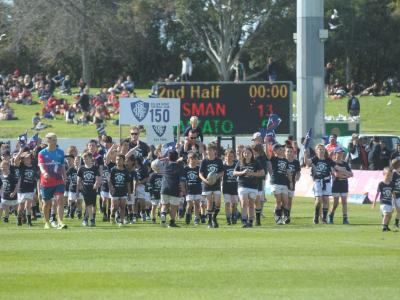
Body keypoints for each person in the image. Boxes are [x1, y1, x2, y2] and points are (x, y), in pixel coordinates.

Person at [38, 132, 67, 229]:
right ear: (48, 140)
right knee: (47, 204)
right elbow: (41, 165)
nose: (55, 141)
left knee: (60, 200)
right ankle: (46, 222)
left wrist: (65, 176)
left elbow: (62, 166)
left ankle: (60, 221)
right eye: (53, 139)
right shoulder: (42, 153)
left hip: (58, 181)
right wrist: (44, 173)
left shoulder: (61, 152)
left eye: (56, 139)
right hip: (46, 182)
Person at [234, 146, 264, 228]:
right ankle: (244, 221)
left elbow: (262, 173)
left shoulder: (256, 162)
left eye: (249, 153)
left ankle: (250, 221)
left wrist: (252, 174)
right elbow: (234, 173)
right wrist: (242, 172)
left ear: (252, 154)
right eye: (245, 153)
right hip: (242, 185)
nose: (247, 154)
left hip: (253, 186)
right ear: (242, 154)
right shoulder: (240, 162)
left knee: (251, 204)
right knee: (244, 202)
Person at [305, 144, 335, 224]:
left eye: (322, 149)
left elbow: (335, 167)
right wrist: (305, 154)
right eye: (319, 149)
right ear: (316, 151)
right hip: (318, 181)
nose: (321, 151)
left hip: (327, 181)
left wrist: (343, 170)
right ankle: (316, 215)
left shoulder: (328, 160)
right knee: (318, 200)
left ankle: (324, 218)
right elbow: (307, 163)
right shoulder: (315, 159)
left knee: (326, 200)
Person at [199, 143, 224, 228]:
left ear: (214, 151)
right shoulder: (204, 161)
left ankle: (214, 218)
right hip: (207, 184)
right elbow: (200, 174)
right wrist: (205, 180)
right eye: (207, 150)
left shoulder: (219, 161)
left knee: (218, 203)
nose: (208, 152)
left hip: (216, 184)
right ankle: (209, 222)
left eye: (210, 150)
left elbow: (222, 172)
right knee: (209, 202)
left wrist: (216, 177)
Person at [160, 150, 185, 227]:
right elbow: (181, 180)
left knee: (164, 204)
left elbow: (161, 160)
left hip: (164, 188)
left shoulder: (165, 164)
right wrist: (182, 190)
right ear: (177, 157)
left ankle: (163, 213)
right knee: (174, 207)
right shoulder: (180, 166)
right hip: (174, 188)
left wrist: (167, 157)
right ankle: (172, 222)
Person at [77, 152, 101, 227]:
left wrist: (96, 183)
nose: (85, 160)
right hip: (85, 189)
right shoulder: (81, 168)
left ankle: (85, 219)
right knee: (89, 205)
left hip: (93, 189)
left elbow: (97, 178)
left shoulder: (95, 168)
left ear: (91, 159)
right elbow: (79, 180)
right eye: (84, 159)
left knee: (91, 205)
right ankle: (91, 220)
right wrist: (78, 188)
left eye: (86, 158)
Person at [330, 147, 353, 224]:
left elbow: (351, 174)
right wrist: (346, 174)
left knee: (344, 201)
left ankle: (345, 218)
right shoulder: (333, 163)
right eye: (339, 153)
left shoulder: (345, 163)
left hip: (344, 184)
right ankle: (331, 215)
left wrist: (344, 174)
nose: (340, 155)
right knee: (335, 203)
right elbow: (336, 175)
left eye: (342, 153)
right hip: (336, 185)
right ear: (335, 154)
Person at [14, 150, 37, 227]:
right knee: (21, 207)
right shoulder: (21, 166)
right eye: (26, 158)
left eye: (29, 158)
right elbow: (15, 160)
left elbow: (35, 177)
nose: (28, 159)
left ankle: (29, 221)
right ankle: (19, 219)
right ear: (23, 159)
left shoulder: (33, 167)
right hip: (22, 189)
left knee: (28, 205)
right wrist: (21, 150)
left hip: (30, 189)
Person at [269, 144, 290, 225]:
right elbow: (268, 154)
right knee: (278, 200)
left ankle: (282, 214)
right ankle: (278, 218)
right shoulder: (274, 159)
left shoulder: (285, 160)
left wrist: (290, 181)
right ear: (276, 151)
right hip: (275, 182)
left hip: (284, 182)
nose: (283, 150)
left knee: (285, 201)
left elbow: (288, 171)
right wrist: (267, 143)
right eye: (281, 149)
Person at [108, 154, 130, 226]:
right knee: (115, 207)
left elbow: (128, 182)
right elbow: (109, 180)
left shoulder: (126, 171)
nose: (118, 161)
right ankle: (112, 215)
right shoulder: (113, 170)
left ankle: (121, 221)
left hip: (123, 191)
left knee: (123, 207)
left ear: (123, 161)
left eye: (120, 160)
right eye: (117, 159)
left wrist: (129, 193)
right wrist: (110, 189)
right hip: (115, 191)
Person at [183, 152, 202, 225]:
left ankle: (196, 218)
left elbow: (201, 178)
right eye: (191, 159)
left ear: (197, 160)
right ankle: (188, 215)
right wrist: (183, 189)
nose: (193, 160)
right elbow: (183, 180)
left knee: (197, 204)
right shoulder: (186, 169)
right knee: (189, 204)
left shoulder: (198, 168)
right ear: (188, 160)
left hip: (197, 189)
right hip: (189, 189)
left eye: (195, 159)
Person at [373, 167, 394, 232]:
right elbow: (377, 193)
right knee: (386, 214)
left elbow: (393, 194)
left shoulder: (392, 184)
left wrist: (395, 202)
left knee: (390, 215)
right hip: (383, 202)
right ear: (384, 174)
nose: (389, 177)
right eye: (387, 175)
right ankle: (383, 227)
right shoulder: (381, 184)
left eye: (390, 175)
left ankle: (386, 226)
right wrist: (374, 202)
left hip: (390, 202)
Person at [222, 149, 239, 225]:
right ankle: (228, 218)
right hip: (226, 187)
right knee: (227, 203)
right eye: (228, 156)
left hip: (235, 187)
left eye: (231, 156)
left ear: (234, 157)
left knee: (234, 204)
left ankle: (233, 216)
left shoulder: (236, 165)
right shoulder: (223, 166)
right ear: (225, 157)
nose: (229, 157)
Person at [285, 145, 301, 224]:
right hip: (284, 183)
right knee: (284, 200)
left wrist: (297, 177)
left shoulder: (296, 162)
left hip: (292, 184)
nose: (289, 153)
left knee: (289, 200)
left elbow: (298, 172)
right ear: (285, 152)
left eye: (291, 151)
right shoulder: (283, 161)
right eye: (288, 151)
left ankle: (287, 215)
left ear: (293, 153)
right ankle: (282, 214)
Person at [148, 160, 163, 224]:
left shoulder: (163, 175)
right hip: (154, 193)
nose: (158, 167)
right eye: (156, 166)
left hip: (161, 193)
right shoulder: (152, 175)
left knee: (161, 205)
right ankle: (153, 218)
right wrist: (151, 192)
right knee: (154, 207)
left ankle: (161, 215)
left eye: (159, 166)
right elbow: (149, 184)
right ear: (153, 167)